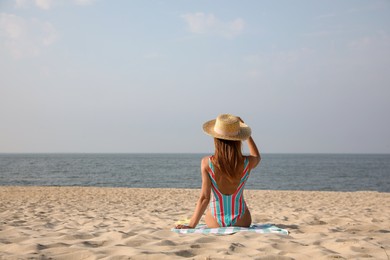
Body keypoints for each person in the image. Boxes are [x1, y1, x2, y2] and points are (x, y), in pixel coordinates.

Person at [175, 114, 261, 229]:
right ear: (238, 139)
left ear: (216, 139)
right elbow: (257, 156)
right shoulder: (247, 162)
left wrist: (191, 225)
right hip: (241, 219)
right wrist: (246, 134)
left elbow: (205, 198)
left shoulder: (207, 163)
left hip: (215, 219)